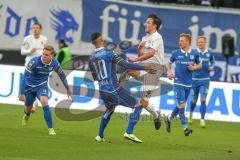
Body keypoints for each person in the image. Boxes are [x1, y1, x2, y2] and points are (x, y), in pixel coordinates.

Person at [89, 32, 160, 143]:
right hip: (114, 89)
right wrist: (144, 67)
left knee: (110, 109)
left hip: (102, 90)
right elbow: (125, 65)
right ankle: (129, 132)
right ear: (102, 39)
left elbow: (95, 77)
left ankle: (100, 136)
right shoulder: (109, 53)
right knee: (139, 104)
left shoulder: (91, 58)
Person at [19, 45, 72, 135]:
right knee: (28, 108)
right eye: (43, 54)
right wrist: (22, 92)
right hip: (30, 86)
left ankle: (50, 129)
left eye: (47, 55)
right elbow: (24, 76)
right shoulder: (34, 61)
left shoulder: (55, 63)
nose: (44, 56)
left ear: (52, 56)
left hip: (42, 86)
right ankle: (27, 115)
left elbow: (62, 75)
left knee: (44, 102)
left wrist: (67, 89)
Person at [126, 13, 164, 134]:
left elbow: (152, 53)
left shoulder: (157, 37)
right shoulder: (145, 38)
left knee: (142, 102)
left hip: (153, 71)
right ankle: (117, 91)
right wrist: (139, 49)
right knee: (127, 69)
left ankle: (156, 114)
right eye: (146, 22)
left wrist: (136, 60)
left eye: (148, 22)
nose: (145, 24)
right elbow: (141, 56)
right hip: (144, 68)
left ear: (155, 26)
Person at [165, 33, 202, 136]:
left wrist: (193, 68)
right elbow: (168, 63)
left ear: (187, 42)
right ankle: (185, 128)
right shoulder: (176, 53)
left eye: (182, 40)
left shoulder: (194, 53)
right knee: (182, 105)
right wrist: (169, 72)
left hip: (188, 85)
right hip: (178, 83)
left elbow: (200, 65)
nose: (179, 42)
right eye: (179, 40)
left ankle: (168, 118)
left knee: (180, 105)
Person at [21, 22, 48, 113]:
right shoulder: (27, 39)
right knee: (28, 87)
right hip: (29, 66)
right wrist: (29, 51)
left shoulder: (44, 39)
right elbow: (22, 51)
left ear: (40, 29)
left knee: (36, 86)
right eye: (34, 28)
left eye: (37, 28)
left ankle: (33, 104)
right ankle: (33, 104)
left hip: (39, 67)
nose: (35, 29)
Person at [189, 36, 215, 127]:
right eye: (198, 42)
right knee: (193, 100)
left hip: (205, 80)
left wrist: (212, 67)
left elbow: (213, 62)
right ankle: (191, 114)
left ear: (205, 42)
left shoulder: (209, 53)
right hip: (194, 80)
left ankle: (202, 119)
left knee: (203, 99)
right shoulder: (194, 53)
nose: (199, 44)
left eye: (201, 42)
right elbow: (190, 63)